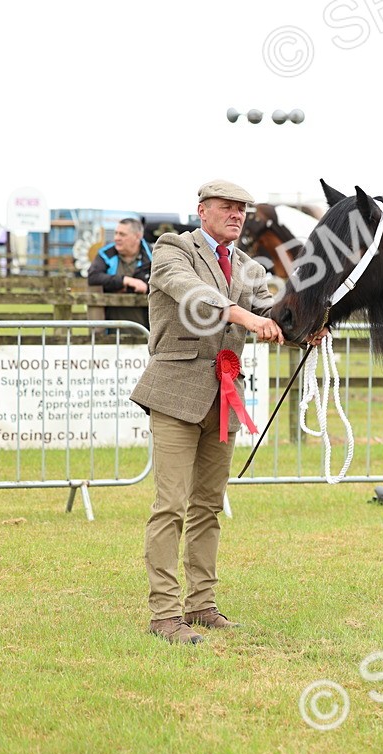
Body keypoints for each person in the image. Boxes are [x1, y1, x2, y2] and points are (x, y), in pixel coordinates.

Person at [129, 180, 324, 646]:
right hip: (175, 394)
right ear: (202, 210)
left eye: (242, 209)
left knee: (208, 507)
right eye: (228, 207)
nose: (237, 215)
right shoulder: (173, 248)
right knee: (170, 506)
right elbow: (193, 294)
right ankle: (164, 615)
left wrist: (306, 328)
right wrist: (247, 317)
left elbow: (273, 317)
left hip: (224, 399)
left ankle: (201, 605)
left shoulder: (250, 268)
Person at [87, 217, 152, 329]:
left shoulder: (153, 256)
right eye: (116, 233)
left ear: (138, 236)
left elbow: (165, 284)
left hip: (147, 330)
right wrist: (125, 281)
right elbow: (93, 277)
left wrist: (146, 287)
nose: (116, 238)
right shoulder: (106, 254)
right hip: (110, 330)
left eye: (122, 234)